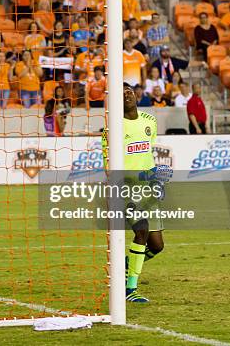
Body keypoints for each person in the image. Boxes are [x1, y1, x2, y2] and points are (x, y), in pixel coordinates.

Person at [102, 83, 165, 303]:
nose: (126, 95)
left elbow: (148, 154)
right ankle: (130, 289)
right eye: (122, 94)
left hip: (148, 190)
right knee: (141, 231)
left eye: (129, 91)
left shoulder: (150, 122)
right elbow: (110, 167)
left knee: (157, 245)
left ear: (136, 95)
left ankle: (126, 265)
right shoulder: (111, 130)